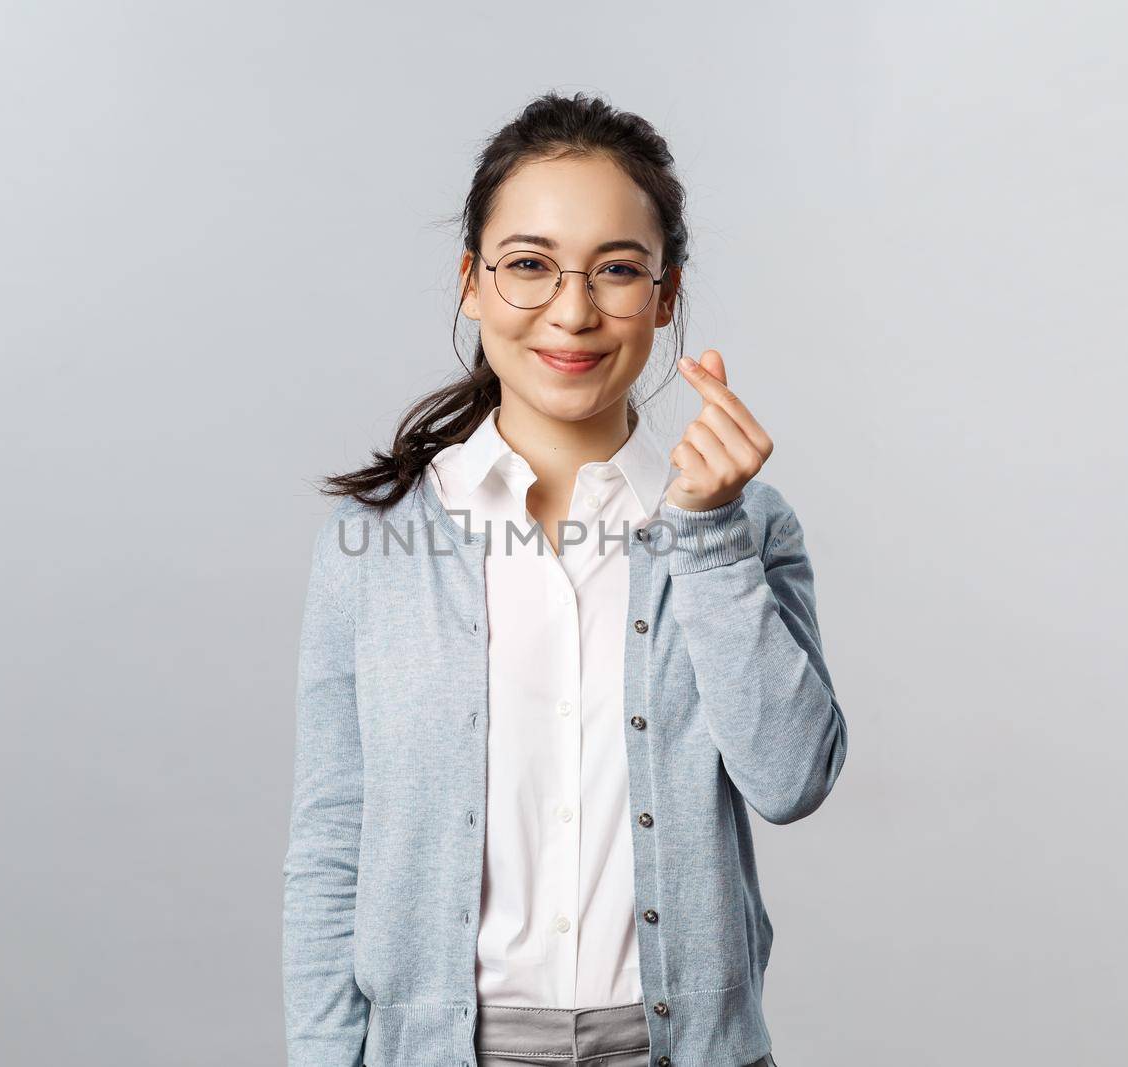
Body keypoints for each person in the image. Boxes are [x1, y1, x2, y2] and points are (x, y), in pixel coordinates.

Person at [283, 90, 848, 1067]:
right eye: (529, 266)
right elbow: (331, 851)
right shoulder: (373, 542)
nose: (574, 311)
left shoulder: (746, 524)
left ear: (665, 297)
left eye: (618, 270)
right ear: (471, 281)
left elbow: (791, 778)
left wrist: (706, 535)